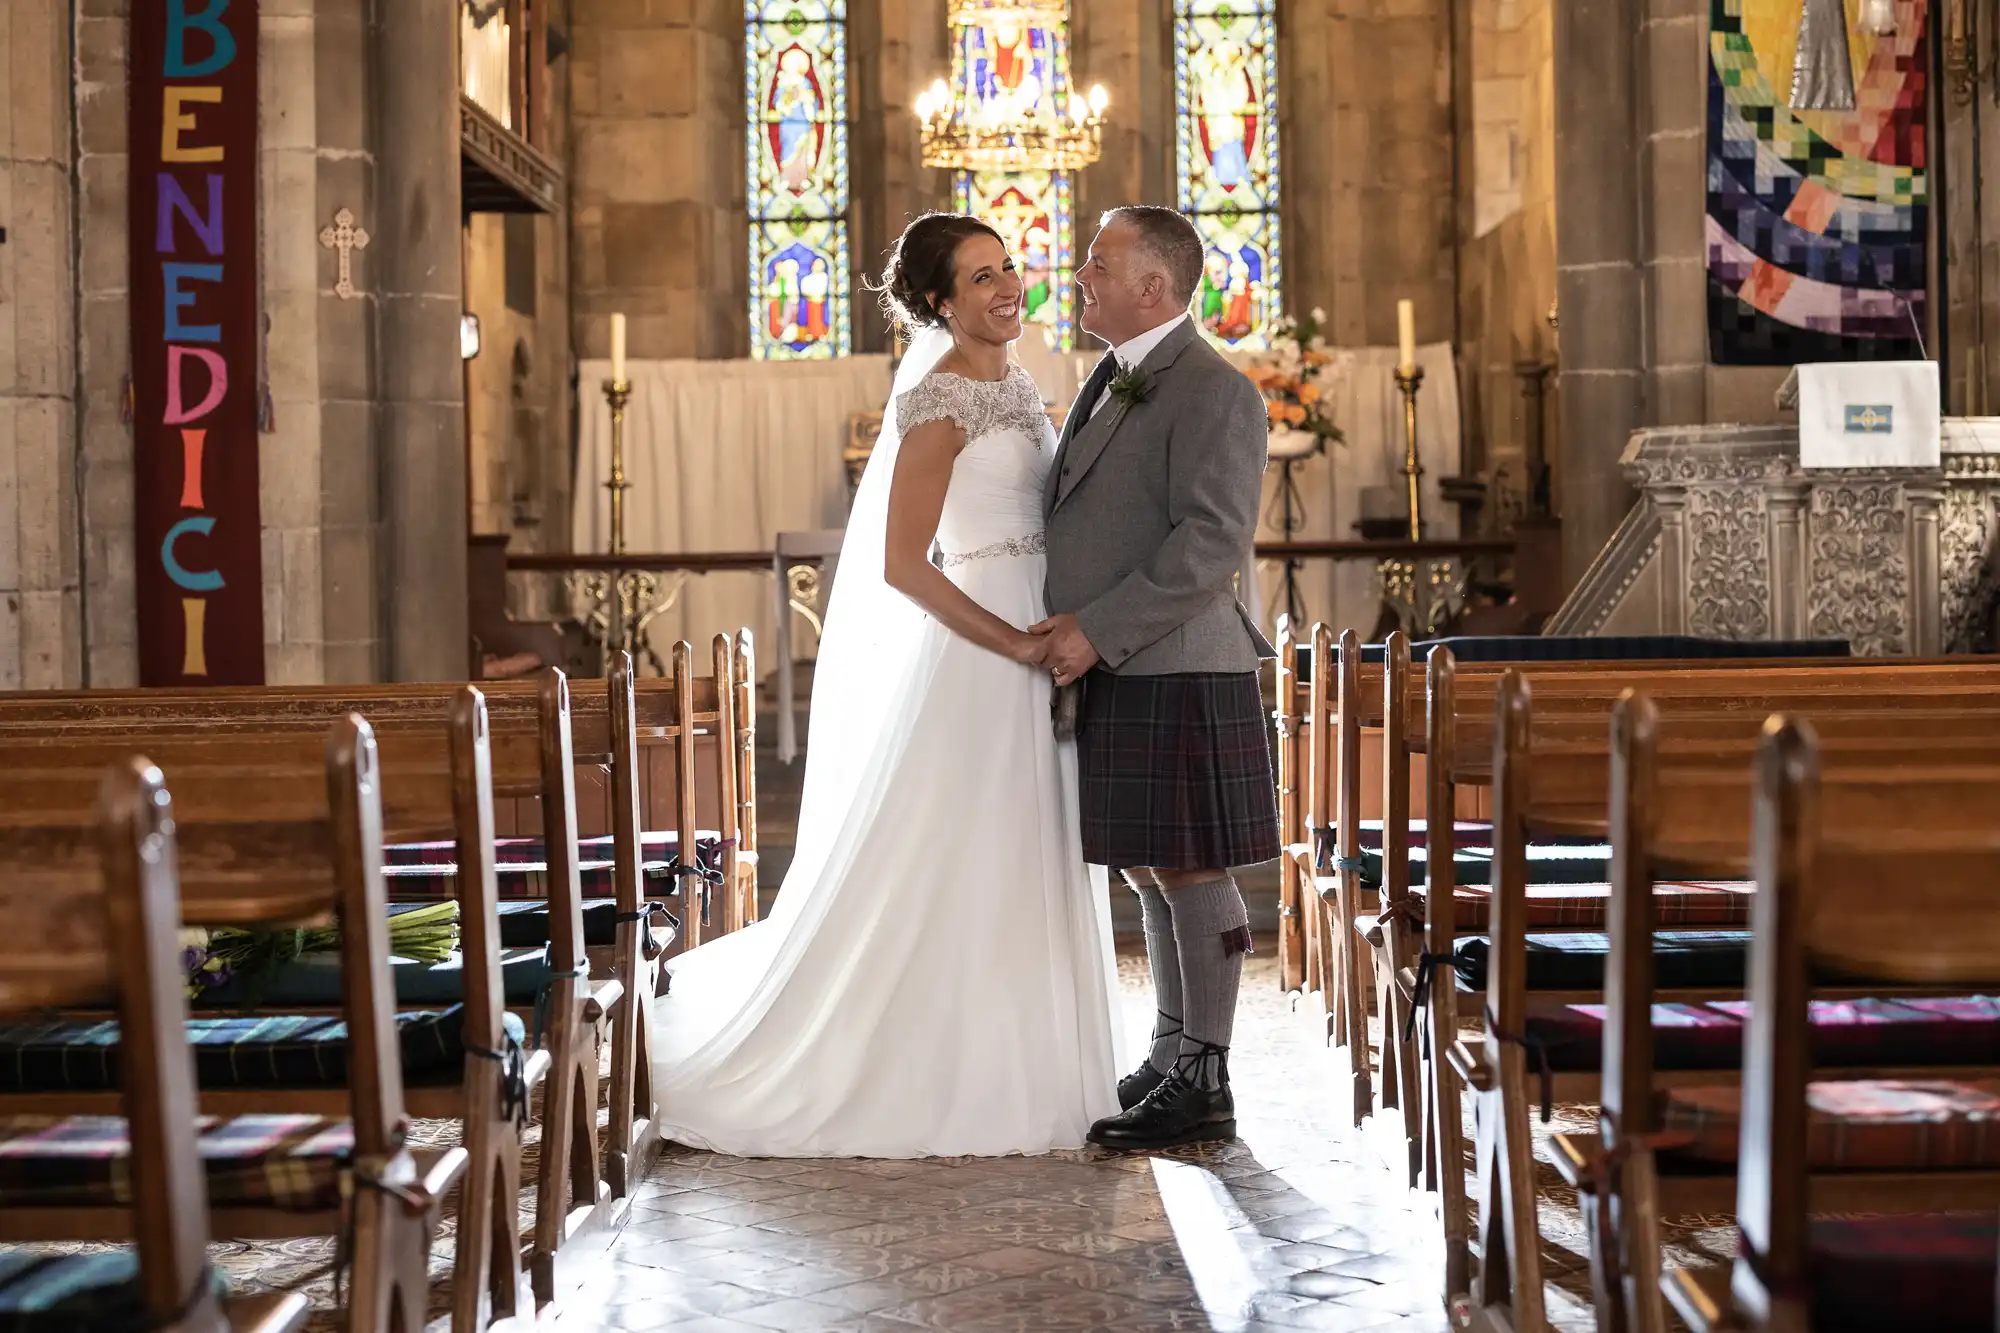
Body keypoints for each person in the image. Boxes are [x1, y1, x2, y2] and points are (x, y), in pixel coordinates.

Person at [648, 212, 1122, 1158]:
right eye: (981, 276)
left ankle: (1037, 1062)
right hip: (983, 644)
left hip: (1045, 625)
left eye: (1009, 267)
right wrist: (1013, 644)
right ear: (941, 302)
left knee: (1035, 844)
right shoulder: (940, 397)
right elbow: (906, 565)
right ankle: (948, 1074)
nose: (1005, 287)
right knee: (969, 853)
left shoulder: (1024, 384)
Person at [1037, 205, 1280, 1150]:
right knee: (1147, 861)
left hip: (1175, 654)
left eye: (1100, 261)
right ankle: (1172, 1048)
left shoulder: (1214, 389)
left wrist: (1095, 631)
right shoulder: (1115, 374)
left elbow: (1211, 542)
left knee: (1188, 864)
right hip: (1124, 656)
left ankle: (1207, 1076)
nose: (1080, 273)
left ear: (1154, 285)